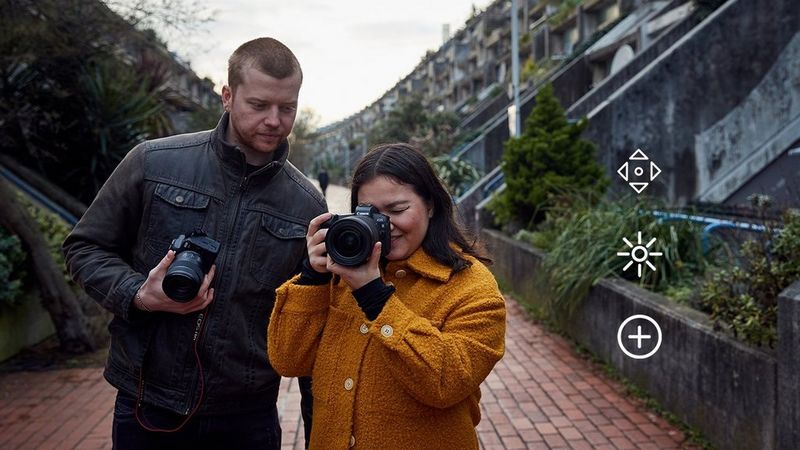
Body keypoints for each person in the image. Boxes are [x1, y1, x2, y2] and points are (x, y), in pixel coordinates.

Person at [62, 37, 325, 449]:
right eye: (258, 105)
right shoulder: (153, 162)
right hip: (147, 402)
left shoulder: (306, 203)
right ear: (227, 96)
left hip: (248, 416)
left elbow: (311, 323)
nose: (275, 120)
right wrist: (139, 294)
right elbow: (84, 247)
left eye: (287, 108)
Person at [268, 143, 507, 449]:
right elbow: (288, 359)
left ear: (431, 205)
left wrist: (374, 296)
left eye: (397, 210)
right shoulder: (341, 272)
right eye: (370, 213)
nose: (384, 225)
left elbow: (446, 382)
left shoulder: (470, 286)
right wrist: (312, 278)